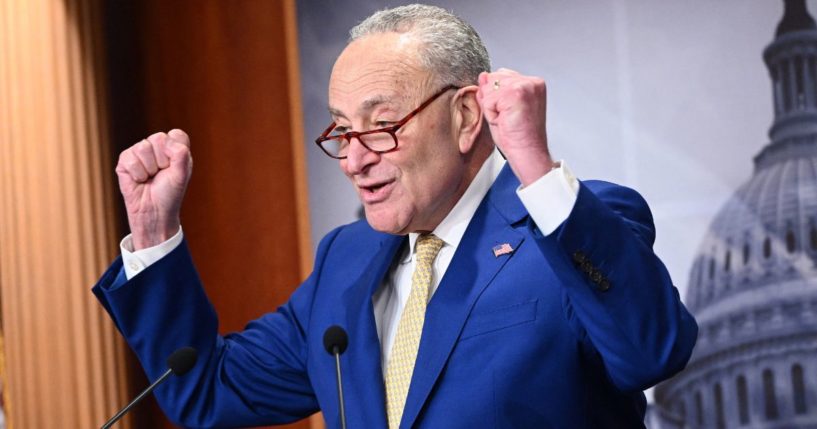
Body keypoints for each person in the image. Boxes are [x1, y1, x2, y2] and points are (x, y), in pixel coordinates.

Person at [93, 4, 697, 428]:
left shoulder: (573, 226)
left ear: (465, 117)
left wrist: (535, 165)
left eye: (381, 127)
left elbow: (652, 352)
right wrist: (153, 233)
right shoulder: (346, 259)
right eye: (342, 130)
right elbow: (206, 390)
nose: (354, 159)